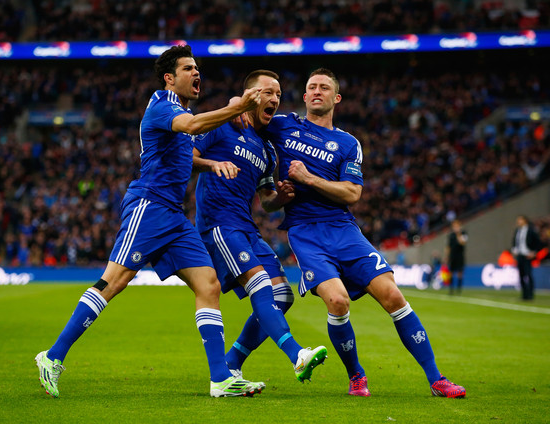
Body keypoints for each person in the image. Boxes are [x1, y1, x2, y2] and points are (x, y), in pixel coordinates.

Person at [35, 45, 266, 398]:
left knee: (208, 285)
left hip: (174, 215)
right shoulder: (162, 104)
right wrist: (237, 107)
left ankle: (221, 379)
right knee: (114, 281)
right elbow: (193, 125)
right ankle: (52, 357)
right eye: (188, 68)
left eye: (197, 68)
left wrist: (211, 163)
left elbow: (185, 152)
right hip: (149, 205)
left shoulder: (182, 112)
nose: (196, 73)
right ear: (169, 78)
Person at [263, 68, 466, 398]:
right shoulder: (284, 125)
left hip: (344, 230)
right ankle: (356, 375)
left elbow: (352, 193)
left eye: (324, 87)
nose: (317, 91)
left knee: (393, 296)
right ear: (304, 96)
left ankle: (436, 379)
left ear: (336, 98)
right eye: (311, 87)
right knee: (337, 301)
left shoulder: (347, 143)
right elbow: (248, 117)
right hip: (305, 233)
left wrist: (308, 178)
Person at [192, 70, 327, 384]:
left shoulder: (267, 148)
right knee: (261, 285)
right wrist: (214, 163)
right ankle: (297, 355)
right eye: (268, 92)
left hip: (247, 227)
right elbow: (187, 158)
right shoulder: (222, 124)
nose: (275, 99)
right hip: (219, 222)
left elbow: (266, 200)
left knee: (282, 295)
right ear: (250, 96)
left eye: (278, 94)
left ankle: (233, 362)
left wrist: (281, 197)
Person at [511, 215, 542, 300]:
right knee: (521, 275)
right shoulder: (517, 230)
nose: (518, 222)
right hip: (520, 255)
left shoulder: (531, 230)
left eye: (520, 220)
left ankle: (530, 295)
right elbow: (514, 241)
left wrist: (534, 252)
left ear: (525, 221)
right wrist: (514, 249)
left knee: (528, 275)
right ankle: (524, 295)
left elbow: (538, 242)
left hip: (527, 256)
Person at [445, 220, 467, 294]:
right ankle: (451, 289)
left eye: (457, 226)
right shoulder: (451, 235)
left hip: (460, 256)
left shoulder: (463, 234)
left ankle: (458, 290)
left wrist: (458, 234)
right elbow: (448, 247)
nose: (456, 228)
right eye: (454, 226)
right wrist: (447, 256)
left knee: (460, 273)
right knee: (451, 272)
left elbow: (462, 242)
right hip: (452, 256)